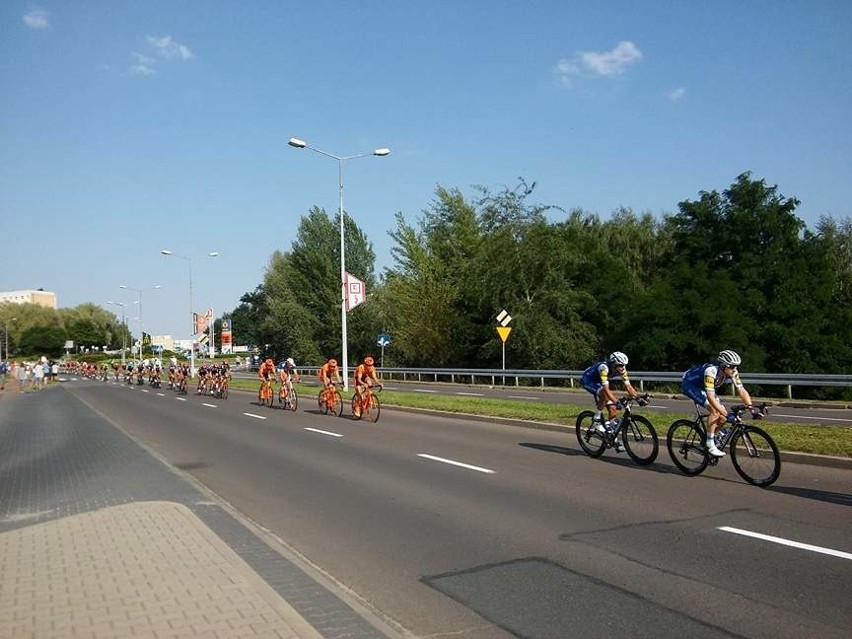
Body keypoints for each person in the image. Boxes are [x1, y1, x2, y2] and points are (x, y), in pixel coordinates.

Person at [682, 349, 763, 457]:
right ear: (723, 366)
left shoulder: (732, 372)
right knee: (715, 411)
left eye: (736, 366)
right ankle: (710, 444)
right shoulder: (711, 371)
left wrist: (751, 410)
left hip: (704, 388)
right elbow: (710, 397)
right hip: (691, 385)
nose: (735, 369)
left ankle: (710, 437)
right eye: (732, 366)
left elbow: (741, 390)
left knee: (723, 418)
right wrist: (722, 411)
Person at [580, 351, 644, 452]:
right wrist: (616, 401)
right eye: (621, 365)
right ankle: (597, 419)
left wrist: (638, 398)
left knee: (613, 410)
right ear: (614, 364)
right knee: (605, 394)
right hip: (589, 380)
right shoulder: (603, 368)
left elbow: (629, 387)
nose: (623, 368)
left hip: (600, 382)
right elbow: (606, 389)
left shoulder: (622, 369)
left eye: (624, 365)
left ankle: (613, 439)